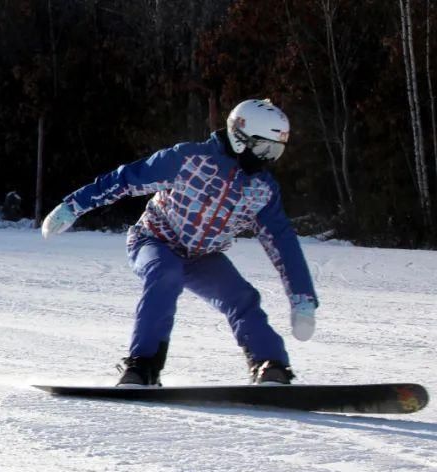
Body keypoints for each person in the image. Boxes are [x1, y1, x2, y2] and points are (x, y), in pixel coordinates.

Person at [41, 99, 317, 387]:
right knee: (165, 274)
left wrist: (302, 299)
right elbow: (126, 179)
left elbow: (283, 244)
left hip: (202, 255)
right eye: (263, 148)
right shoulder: (188, 159)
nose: (267, 159)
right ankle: (143, 366)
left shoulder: (261, 189)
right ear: (240, 137)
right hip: (154, 239)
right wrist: (73, 207)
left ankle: (270, 365)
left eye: (276, 151)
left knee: (241, 298)